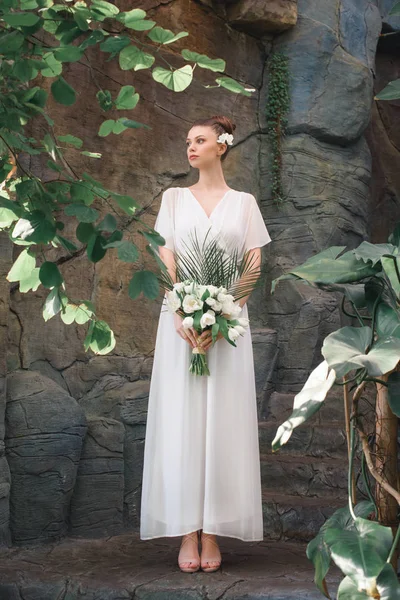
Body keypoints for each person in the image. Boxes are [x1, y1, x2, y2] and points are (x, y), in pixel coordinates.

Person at [139, 115, 272, 573]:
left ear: (222, 145)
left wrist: (224, 314)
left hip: (229, 328)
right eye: (187, 141)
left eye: (199, 140)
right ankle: (185, 531)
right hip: (179, 323)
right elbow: (166, 257)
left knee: (223, 422)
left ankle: (211, 530)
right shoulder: (174, 199)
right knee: (181, 420)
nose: (190, 148)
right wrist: (182, 311)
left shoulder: (245, 203)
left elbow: (253, 261)